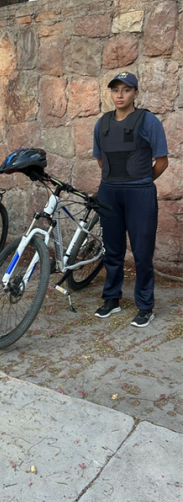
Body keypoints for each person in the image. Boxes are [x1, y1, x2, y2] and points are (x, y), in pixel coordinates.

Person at [92, 71, 169, 328]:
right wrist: (116, 181)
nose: (120, 95)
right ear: (111, 93)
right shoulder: (101, 124)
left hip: (140, 194)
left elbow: (162, 161)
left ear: (135, 93)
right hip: (109, 192)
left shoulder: (148, 121)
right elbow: (101, 160)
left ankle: (145, 306)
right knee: (112, 251)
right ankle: (112, 299)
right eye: (116, 90)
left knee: (142, 252)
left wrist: (141, 182)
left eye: (126, 90)